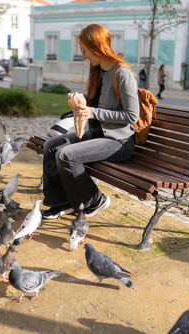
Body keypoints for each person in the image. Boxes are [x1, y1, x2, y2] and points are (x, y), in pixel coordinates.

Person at [41, 23, 139, 220]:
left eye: (85, 51)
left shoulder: (122, 73)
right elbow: (97, 102)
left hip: (119, 141)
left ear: (97, 47)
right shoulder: (99, 71)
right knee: (51, 145)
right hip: (99, 135)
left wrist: (92, 111)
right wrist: (79, 100)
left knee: (67, 155)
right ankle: (62, 202)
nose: (84, 56)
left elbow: (132, 116)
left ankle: (95, 200)